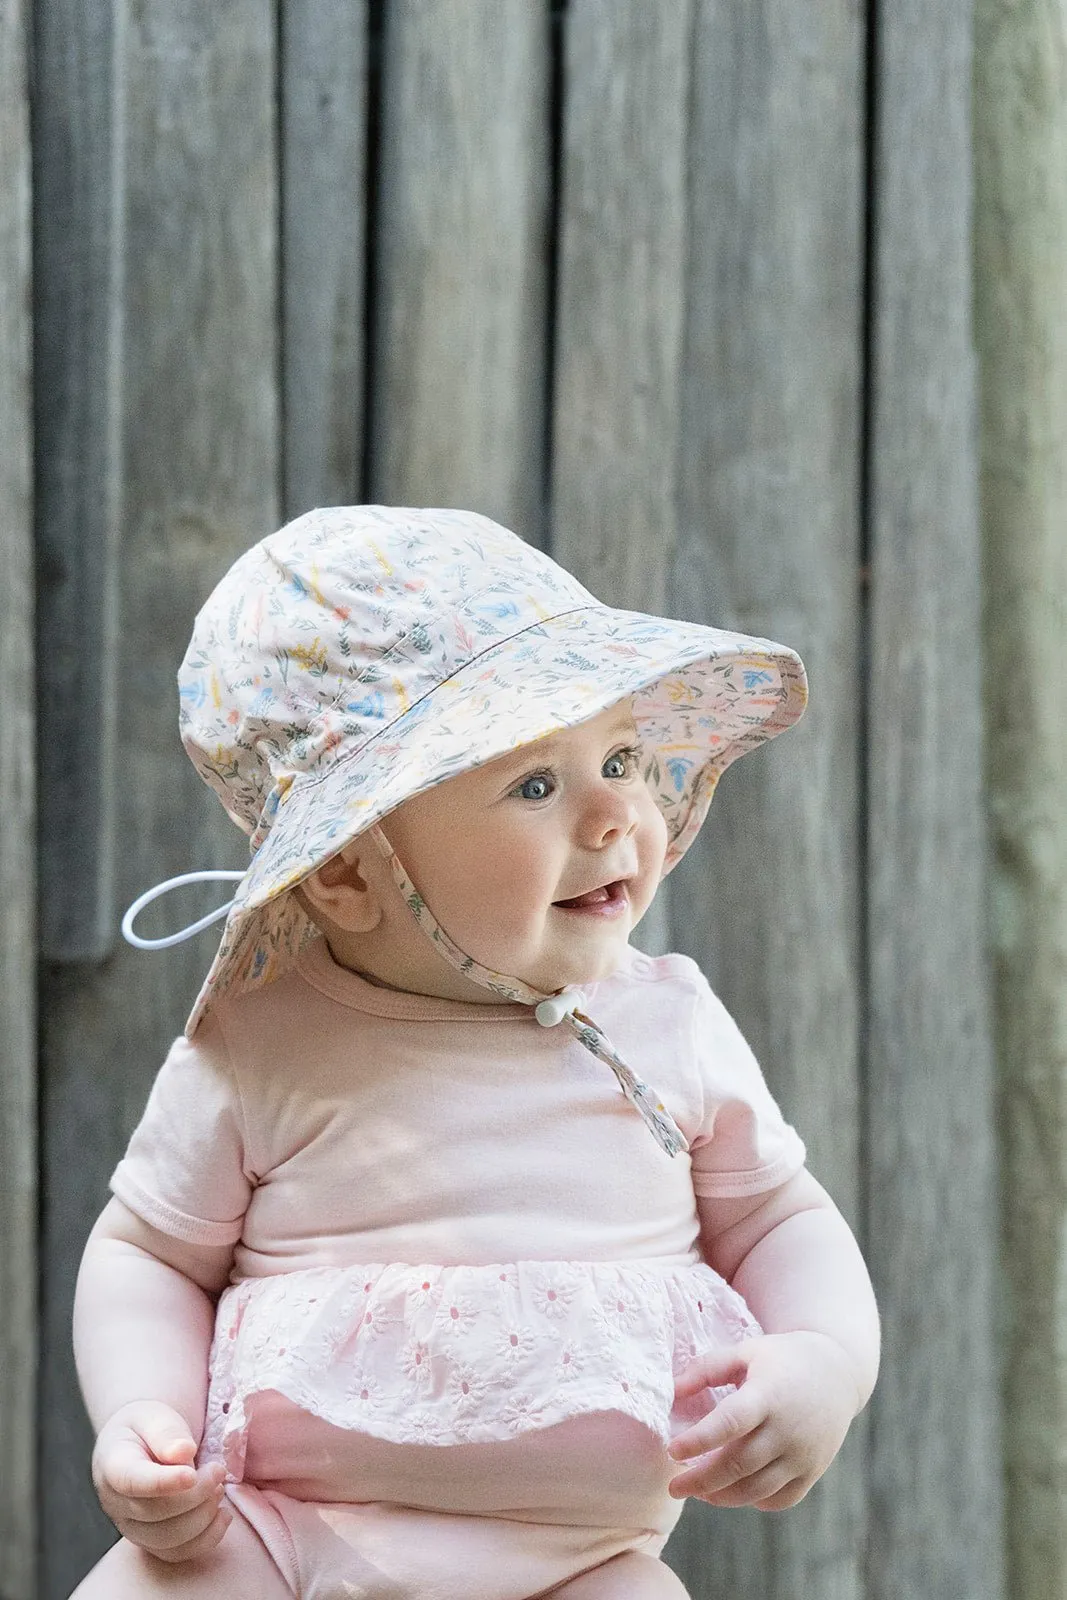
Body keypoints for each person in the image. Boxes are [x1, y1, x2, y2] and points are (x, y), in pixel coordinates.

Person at [70, 506, 879, 1600]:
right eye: (535, 784)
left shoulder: (666, 1028)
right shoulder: (264, 1043)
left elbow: (781, 1218)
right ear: (351, 871)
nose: (613, 816)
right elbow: (149, 1254)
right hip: (277, 1536)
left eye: (623, 757)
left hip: (580, 1563)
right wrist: (142, 1412)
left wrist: (822, 1357)